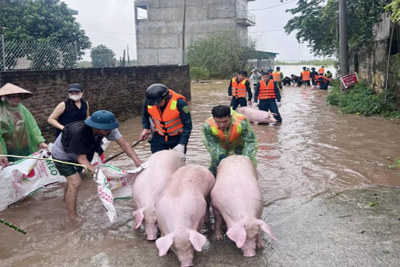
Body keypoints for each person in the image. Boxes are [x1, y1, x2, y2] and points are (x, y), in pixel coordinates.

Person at [51, 110, 143, 222]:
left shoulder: (108, 129)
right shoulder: (79, 132)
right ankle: (73, 217)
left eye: (110, 128)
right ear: (96, 127)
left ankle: (65, 199)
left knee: (73, 179)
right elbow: (82, 159)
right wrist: (100, 175)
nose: (109, 131)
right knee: (75, 182)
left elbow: (125, 145)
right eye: (106, 129)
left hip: (82, 151)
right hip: (62, 155)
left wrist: (138, 163)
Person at [0, 83, 48, 169]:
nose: (17, 99)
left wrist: (40, 141)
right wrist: (1, 153)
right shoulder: (1, 112)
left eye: (19, 96)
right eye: (13, 96)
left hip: (26, 148)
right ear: (5, 97)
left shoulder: (22, 109)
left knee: (27, 172)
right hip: (8, 150)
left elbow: (33, 127)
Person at [202, 105, 257, 176]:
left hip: (239, 145)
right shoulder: (208, 125)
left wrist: (247, 157)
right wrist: (221, 156)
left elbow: (250, 141)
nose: (222, 125)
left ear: (230, 117)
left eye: (225, 121)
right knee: (215, 168)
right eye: (218, 122)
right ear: (213, 118)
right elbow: (211, 143)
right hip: (220, 146)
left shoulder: (242, 121)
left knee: (245, 170)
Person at [140, 83, 192, 155]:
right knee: (157, 160)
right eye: (154, 103)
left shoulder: (179, 103)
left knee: (177, 161)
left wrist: (182, 144)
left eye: (158, 102)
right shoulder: (150, 101)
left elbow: (187, 125)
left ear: (166, 98)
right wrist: (145, 128)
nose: (156, 105)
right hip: (159, 136)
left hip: (177, 137)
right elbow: (145, 116)